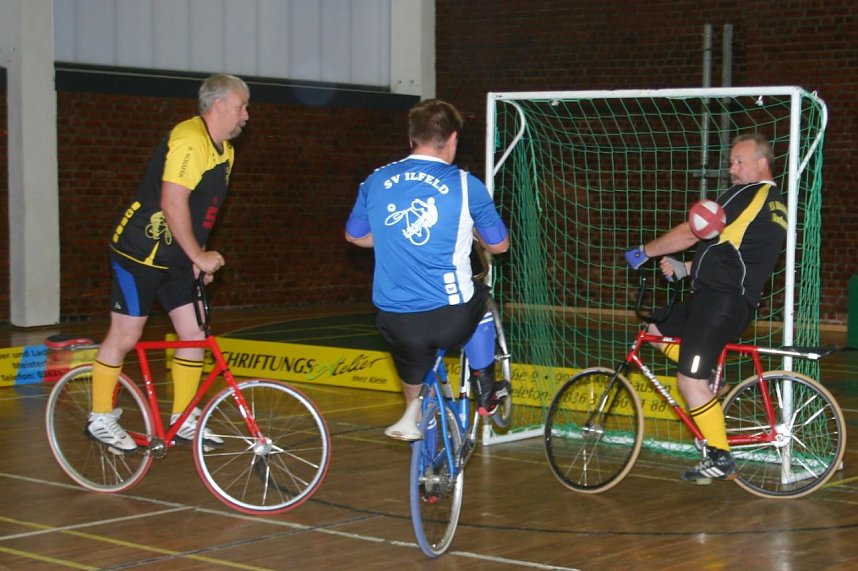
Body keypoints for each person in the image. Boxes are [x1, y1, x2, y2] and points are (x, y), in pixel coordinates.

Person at [86, 74, 250, 452]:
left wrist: (195, 258)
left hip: (176, 256)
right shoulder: (190, 140)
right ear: (219, 105)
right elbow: (173, 202)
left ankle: (183, 416)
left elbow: (203, 212)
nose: (246, 115)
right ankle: (100, 416)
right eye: (241, 106)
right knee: (126, 336)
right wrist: (198, 255)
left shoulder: (224, 150)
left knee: (194, 333)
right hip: (139, 253)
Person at [345, 99, 511, 441]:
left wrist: (394, 239)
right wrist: (474, 231)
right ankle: (485, 388)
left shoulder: (376, 180)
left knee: (413, 371)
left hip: (393, 317)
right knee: (482, 299)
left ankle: (428, 465)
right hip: (449, 315)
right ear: (452, 139)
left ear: (411, 138)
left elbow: (355, 236)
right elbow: (500, 246)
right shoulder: (466, 185)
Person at [624, 133, 787, 481]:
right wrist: (686, 269)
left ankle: (720, 456)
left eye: (739, 161)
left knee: (688, 380)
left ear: (762, 163)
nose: (732, 168)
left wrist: (645, 252)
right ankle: (712, 372)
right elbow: (731, 252)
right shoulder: (774, 204)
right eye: (731, 162)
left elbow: (692, 233)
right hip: (714, 298)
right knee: (655, 328)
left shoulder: (747, 194)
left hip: (721, 303)